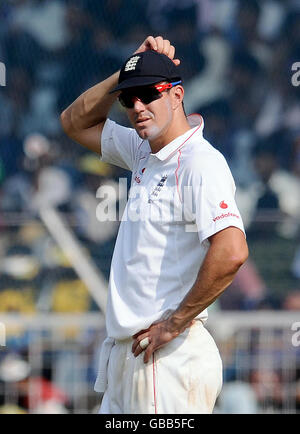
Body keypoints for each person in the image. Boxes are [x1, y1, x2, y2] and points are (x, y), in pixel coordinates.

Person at [60, 36, 248, 414]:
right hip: (130, 357)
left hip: (169, 356)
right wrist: (131, 68)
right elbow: (73, 121)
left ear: (177, 95)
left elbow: (232, 251)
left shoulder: (199, 162)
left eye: (149, 93)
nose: (137, 106)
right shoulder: (144, 152)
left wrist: (175, 323)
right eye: (129, 98)